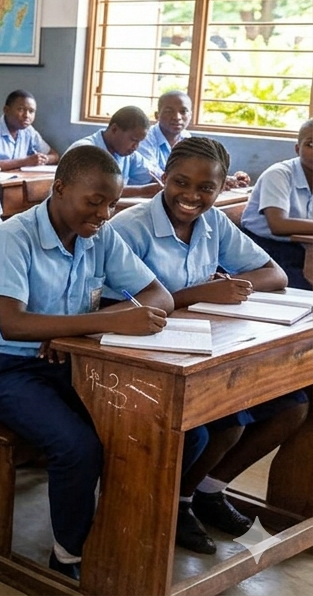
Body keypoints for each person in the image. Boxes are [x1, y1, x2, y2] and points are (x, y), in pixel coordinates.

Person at [0, 144, 174, 580]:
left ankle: (130, 533)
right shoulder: (13, 237)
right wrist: (87, 325)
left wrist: (74, 331)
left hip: (73, 361)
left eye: (112, 204)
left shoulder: (99, 235)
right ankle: (66, 557)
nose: (103, 213)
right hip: (5, 369)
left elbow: (160, 296)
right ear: (59, 189)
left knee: (148, 426)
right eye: (94, 201)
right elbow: (12, 324)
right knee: (77, 447)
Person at [108, 136, 301, 554]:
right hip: (139, 354)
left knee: (293, 405)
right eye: (181, 183)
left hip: (205, 344)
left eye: (206, 188)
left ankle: (206, 490)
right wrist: (198, 293)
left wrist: (231, 287)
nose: (192, 196)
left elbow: (275, 275)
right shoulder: (130, 227)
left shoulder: (213, 222)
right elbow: (112, 306)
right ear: (163, 177)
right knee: (227, 423)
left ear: (220, 188)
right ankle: (174, 504)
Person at [239, 118, 313, 290]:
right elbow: (278, 225)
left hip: (302, 248)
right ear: (297, 149)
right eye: (311, 144)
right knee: (303, 292)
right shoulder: (279, 174)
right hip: (265, 250)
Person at [136, 91, 252, 190]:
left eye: (183, 111)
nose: (177, 117)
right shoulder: (145, 138)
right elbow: (151, 173)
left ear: (190, 115)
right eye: (169, 111)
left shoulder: (186, 138)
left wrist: (226, 179)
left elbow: (199, 169)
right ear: (157, 115)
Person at [66, 106, 161, 197]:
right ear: (114, 129)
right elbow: (95, 189)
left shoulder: (128, 155)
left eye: (139, 142)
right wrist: (142, 191)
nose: (136, 146)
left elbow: (153, 174)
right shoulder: (85, 150)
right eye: (134, 140)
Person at [0, 89, 58, 170]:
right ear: (6, 110)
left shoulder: (29, 131)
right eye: (21, 109)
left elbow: (54, 156)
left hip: (19, 180)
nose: (27, 115)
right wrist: (25, 162)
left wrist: (44, 159)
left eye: (31, 111)